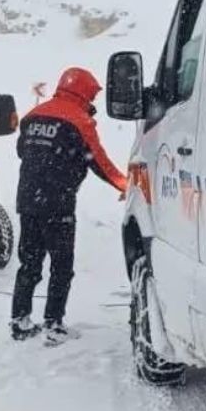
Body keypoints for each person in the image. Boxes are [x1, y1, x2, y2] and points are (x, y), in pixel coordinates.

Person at [11, 66, 127, 345]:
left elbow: (21, 151)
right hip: (58, 205)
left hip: (28, 201)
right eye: (92, 96)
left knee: (29, 264)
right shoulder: (79, 121)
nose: (93, 102)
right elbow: (99, 162)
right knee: (61, 266)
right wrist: (125, 185)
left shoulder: (32, 117)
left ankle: (19, 320)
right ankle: (54, 323)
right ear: (83, 92)